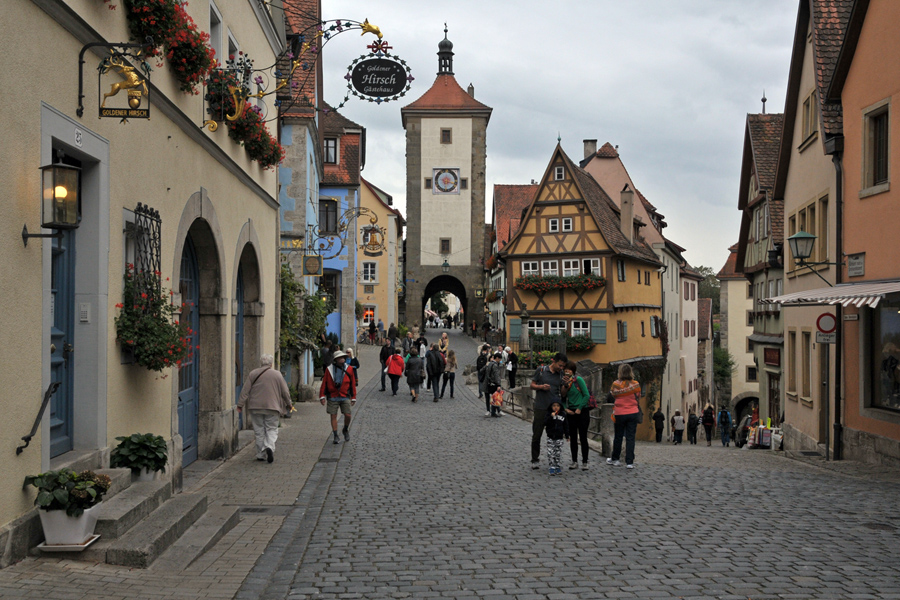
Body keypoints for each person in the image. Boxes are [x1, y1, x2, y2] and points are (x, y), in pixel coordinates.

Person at [237, 354, 293, 463]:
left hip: (255, 407)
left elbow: (245, 390)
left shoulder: (253, 373)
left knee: (259, 430)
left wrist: (240, 404)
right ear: (271, 364)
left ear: (261, 363)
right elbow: (285, 391)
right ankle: (269, 447)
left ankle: (260, 454)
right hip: (272, 407)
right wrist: (289, 404)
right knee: (271, 429)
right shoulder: (277, 374)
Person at [529, 353, 568, 469]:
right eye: (560, 365)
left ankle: (554, 460)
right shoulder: (541, 370)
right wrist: (541, 387)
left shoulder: (561, 374)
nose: (561, 368)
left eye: (563, 367)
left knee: (555, 436)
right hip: (541, 407)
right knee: (537, 434)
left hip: (555, 408)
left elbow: (563, 393)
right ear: (554, 361)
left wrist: (566, 385)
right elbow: (532, 385)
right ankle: (535, 459)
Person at [319, 350, 357, 445]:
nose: (343, 359)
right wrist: (322, 396)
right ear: (336, 359)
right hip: (333, 396)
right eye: (340, 357)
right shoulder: (329, 369)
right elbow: (324, 383)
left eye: (343, 357)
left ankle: (345, 429)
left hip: (345, 395)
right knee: (333, 415)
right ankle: (335, 435)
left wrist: (353, 397)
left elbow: (352, 384)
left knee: (348, 415)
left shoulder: (349, 369)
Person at [607, 363, 641, 469]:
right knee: (630, 438)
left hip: (620, 413)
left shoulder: (615, 384)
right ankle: (629, 462)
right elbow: (638, 397)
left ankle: (615, 459)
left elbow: (612, 396)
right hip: (633, 412)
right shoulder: (636, 384)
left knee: (618, 436)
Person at [561, 361, 590, 470]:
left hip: (582, 411)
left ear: (573, 371)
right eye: (565, 370)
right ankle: (574, 461)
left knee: (583, 437)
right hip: (571, 412)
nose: (566, 372)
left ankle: (585, 461)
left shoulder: (578, 380)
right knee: (573, 437)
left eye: (568, 370)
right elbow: (563, 397)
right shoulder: (565, 382)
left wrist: (579, 408)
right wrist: (565, 409)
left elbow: (586, 395)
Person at [544, 401, 569, 476]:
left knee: (558, 453)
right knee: (551, 453)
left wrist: (567, 435)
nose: (556, 407)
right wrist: (551, 417)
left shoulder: (563, 415)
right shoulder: (548, 414)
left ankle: (557, 466)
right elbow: (545, 422)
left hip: (559, 437)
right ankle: (552, 467)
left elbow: (566, 425)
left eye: (557, 406)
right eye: (554, 405)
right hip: (550, 437)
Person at [485, 352, 504, 417]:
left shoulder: (490, 364)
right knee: (495, 398)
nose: (500, 361)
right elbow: (496, 375)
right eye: (500, 359)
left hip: (489, 383)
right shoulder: (495, 365)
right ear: (497, 358)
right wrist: (498, 384)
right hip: (494, 383)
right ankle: (493, 412)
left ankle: (492, 411)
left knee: (492, 397)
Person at [476, 344, 491, 415]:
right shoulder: (488, 355)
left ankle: (480, 392)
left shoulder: (480, 354)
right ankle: (484, 390)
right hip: (485, 370)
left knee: (480, 381)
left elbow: (478, 348)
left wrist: (482, 346)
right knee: (484, 380)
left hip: (479, 369)